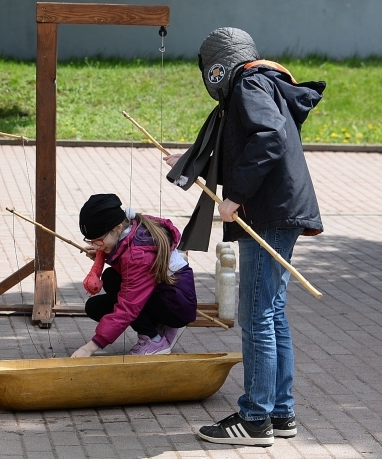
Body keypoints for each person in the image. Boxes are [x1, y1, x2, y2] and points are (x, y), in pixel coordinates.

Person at [165, 28, 325, 447]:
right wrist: (188, 162)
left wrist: (235, 196)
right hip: (279, 210)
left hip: (269, 213)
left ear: (219, 64)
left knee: (257, 317)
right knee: (272, 314)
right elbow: (246, 144)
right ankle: (280, 412)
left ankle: (255, 418)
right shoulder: (262, 82)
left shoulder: (248, 84)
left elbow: (268, 137)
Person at [71, 193, 197, 358]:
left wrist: (91, 347)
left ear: (117, 228)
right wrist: (105, 253)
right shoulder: (131, 229)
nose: (96, 246)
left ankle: (154, 341)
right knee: (95, 305)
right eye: (91, 241)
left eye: (99, 241)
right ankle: (159, 327)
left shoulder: (138, 255)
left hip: (177, 307)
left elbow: (128, 306)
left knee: (112, 280)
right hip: (167, 295)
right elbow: (126, 262)